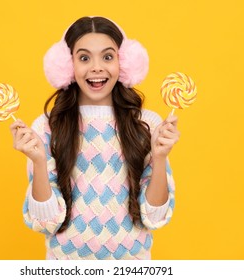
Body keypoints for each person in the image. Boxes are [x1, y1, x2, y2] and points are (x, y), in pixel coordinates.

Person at [10, 16, 180, 260]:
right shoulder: (47, 127)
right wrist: (38, 161)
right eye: (84, 58)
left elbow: (153, 217)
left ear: (124, 64)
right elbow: (45, 222)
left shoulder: (147, 124)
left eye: (108, 57)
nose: (97, 67)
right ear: (68, 66)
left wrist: (161, 157)